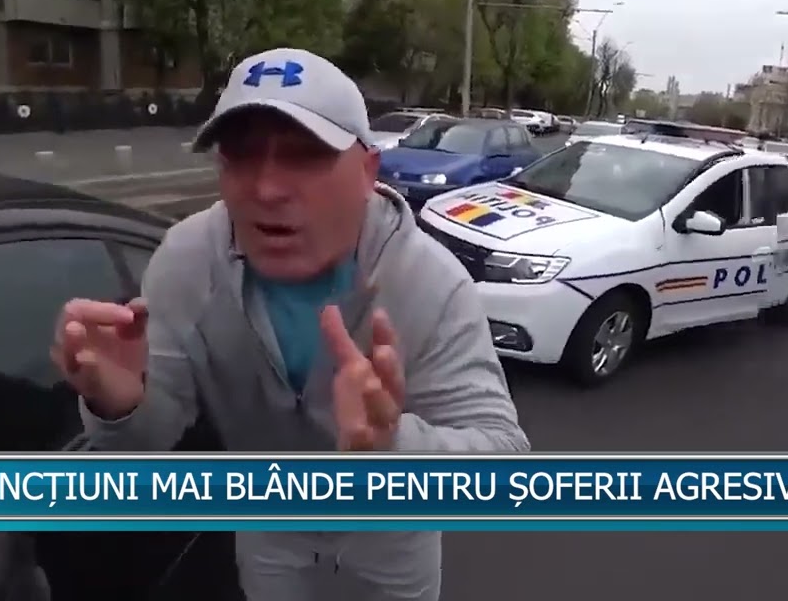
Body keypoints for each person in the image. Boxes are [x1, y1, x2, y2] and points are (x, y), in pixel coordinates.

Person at [51, 47, 529, 600]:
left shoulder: (429, 280)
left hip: (390, 541)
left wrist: (394, 449)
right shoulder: (186, 261)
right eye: (241, 155)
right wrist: (120, 406)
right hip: (269, 531)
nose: (267, 189)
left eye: (304, 155)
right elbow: (147, 442)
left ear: (367, 173)